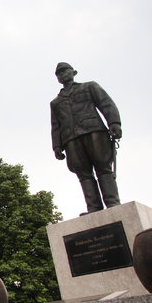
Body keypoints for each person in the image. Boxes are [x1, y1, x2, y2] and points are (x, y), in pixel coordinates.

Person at [50, 62, 122, 214]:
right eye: (59, 73)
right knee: (83, 175)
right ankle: (94, 207)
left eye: (65, 71)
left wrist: (114, 122)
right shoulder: (55, 102)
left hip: (94, 131)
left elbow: (106, 104)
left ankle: (112, 203)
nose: (62, 75)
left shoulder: (89, 87)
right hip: (71, 139)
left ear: (73, 72)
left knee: (103, 167)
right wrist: (56, 146)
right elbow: (55, 126)